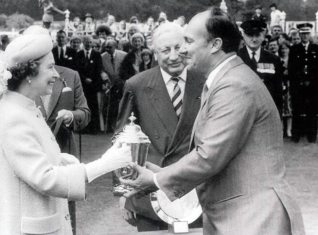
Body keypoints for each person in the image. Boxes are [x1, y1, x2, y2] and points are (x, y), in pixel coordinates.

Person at [121, 8, 305, 235]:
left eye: (188, 41)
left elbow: (210, 156)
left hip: (255, 218)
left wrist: (157, 179)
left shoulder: (234, 85)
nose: (183, 50)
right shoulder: (226, 79)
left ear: (215, 44)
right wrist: (164, 173)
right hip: (241, 215)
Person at [0, 25, 131, 235]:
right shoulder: (15, 116)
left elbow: (29, 158)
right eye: (50, 67)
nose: (56, 74)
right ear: (30, 72)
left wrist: (60, 159)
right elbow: (45, 178)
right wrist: (105, 164)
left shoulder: (22, 106)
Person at [116, 22, 204, 232]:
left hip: (197, 192)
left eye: (178, 48)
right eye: (165, 50)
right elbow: (121, 140)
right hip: (151, 193)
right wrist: (123, 192)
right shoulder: (136, 85)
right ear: (154, 53)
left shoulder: (205, 81)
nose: (173, 56)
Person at [36, 64, 90, 235]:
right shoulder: (18, 75)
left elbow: (85, 112)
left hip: (63, 153)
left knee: (66, 214)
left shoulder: (71, 75)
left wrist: (72, 115)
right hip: (33, 153)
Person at [238, 19, 283, 115]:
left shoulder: (274, 59)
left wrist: (278, 115)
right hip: (242, 112)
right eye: (250, 35)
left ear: (263, 36)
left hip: (266, 111)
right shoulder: (236, 58)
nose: (254, 39)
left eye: (257, 35)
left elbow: (278, 91)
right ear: (243, 36)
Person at [288, 23, 318, 143]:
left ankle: (312, 135)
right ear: (299, 34)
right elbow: (292, 68)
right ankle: (296, 135)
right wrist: (299, 81)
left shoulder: (316, 48)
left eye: (307, 33)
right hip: (298, 85)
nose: (305, 36)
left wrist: (311, 81)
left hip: (313, 85)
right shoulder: (294, 49)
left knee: (312, 110)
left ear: (310, 34)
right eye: (303, 33)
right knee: (297, 109)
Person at [76, 35, 103, 133]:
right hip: (82, 85)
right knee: (83, 106)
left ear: (92, 43)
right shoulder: (78, 54)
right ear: (83, 43)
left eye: (90, 42)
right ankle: (83, 128)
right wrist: (84, 79)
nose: (88, 44)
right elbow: (77, 69)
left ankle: (94, 128)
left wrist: (92, 80)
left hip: (93, 85)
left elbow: (98, 69)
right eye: (86, 42)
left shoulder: (97, 54)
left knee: (93, 106)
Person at [101, 39, 127, 132]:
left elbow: (127, 68)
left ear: (115, 46)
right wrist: (105, 78)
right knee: (110, 106)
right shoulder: (102, 57)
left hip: (121, 83)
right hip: (109, 84)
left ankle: (121, 125)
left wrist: (122, 79)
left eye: (109, 47)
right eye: (106, 47)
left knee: (121, 105)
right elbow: (101, 70)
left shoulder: (124, 55)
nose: (107, 49)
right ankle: (110, 126)